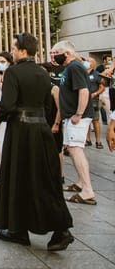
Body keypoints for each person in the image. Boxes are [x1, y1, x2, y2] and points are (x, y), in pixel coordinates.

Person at [0, 32, 74, 251]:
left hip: (21, 132)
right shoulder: (42, 72)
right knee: (44, 179)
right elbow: (48, 104)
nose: (11, 51)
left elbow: (8, 105)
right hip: (41, 130)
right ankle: (59, 228)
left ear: (22, 50)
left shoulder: (13, 72)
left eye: (13, 48)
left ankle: (18, 229)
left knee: (18, 178)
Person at [52, 40, 96, 204]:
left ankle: (87, 190)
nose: (54, 57)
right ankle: (80, 184)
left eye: (56, 53)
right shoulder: (70, 68)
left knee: (75, 149)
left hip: (77, 117)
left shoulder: (75, 67)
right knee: (75, 148)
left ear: (67, 53)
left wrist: (78, 113)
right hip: (72, 116)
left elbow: (83, 91)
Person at [0, 51, 13, 165]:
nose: (0, 64)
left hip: (7, 112)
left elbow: (8, 92)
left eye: (3, 62)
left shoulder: (10, 75)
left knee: (3, 140)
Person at [84, 57, 106, 148]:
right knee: (86, 121)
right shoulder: (81, 73)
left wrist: (95, 93)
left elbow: (102, 87)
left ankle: (98, 141)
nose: (86, 62)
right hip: (84, 100)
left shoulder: (97, 75)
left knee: (95, 120)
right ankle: (87, 140)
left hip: (94, 100)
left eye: (88, 61)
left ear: (93, 64)